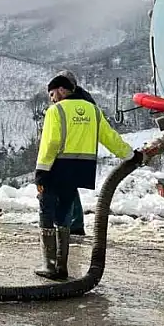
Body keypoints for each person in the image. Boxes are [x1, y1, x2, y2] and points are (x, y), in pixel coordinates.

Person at [34, 73, 140, 281]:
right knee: (64, 213)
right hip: (80, 171)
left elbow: (50, 144)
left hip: (56, 168)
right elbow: (110, 138)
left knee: (46, 211)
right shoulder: (92, 110)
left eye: (52, 93)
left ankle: (51, 265)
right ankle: (61, 266)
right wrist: (131, 155)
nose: (52, 98)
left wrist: (40, 173)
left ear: (62, 90)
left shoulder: (56, 111)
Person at [53, 69, 98, 237]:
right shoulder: (84, 99)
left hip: (71, 149)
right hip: (80, 150)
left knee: (66, 188)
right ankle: (72, 224)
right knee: (68, 188)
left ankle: (72, 225)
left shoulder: (77, 102)